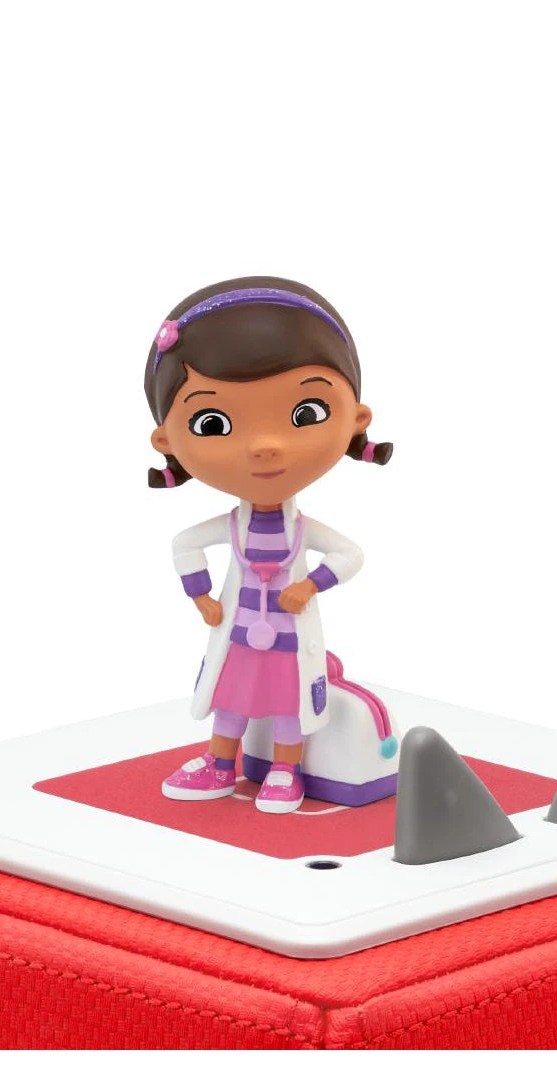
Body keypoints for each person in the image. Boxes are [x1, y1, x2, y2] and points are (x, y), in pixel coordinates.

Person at [144, 277, 392, 813]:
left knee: (288, 707)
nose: (263, 445)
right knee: (229, 701)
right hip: (237, 635)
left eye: (306, 414)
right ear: (167, 441)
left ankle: (286, 771)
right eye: (214, 423)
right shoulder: (230, 526)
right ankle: (219, 764)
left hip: (288, 639)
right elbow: (185, 544)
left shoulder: (305, 530)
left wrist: (309, 585)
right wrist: (201, 597)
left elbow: (350, 554)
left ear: (357, 418)